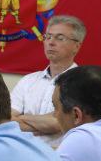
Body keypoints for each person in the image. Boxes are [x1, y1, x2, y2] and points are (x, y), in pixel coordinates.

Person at [10, 15, 85, 146]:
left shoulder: (83, 82)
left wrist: (21, 118)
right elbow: (6, 120)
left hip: (60, 155)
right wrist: (46, 121)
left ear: (76, 46)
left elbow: (58, 123)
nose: (51, 42)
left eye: (60, 38)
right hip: (22, 152)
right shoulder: (28, 81)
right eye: (48, 37)